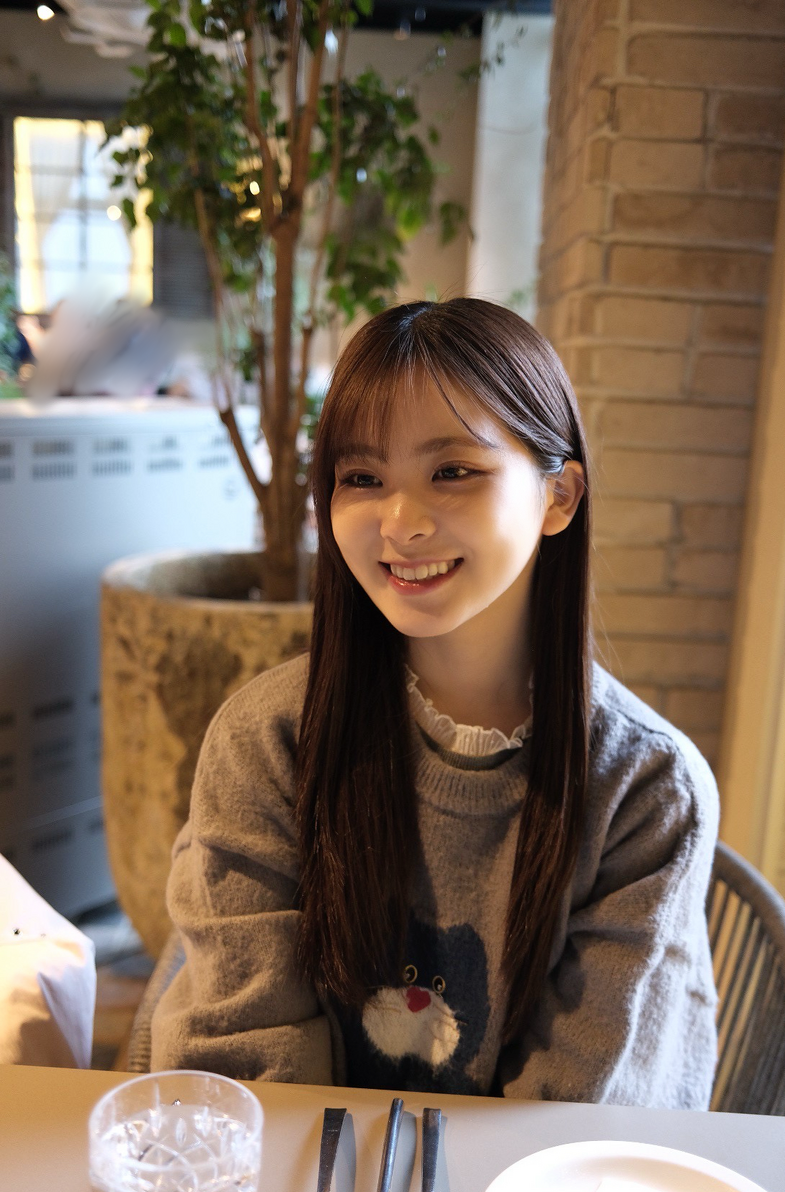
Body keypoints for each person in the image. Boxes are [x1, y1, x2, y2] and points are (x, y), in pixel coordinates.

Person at [150, 298, 719, 1107]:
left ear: (558, 496)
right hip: (292, 1175)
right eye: (362, 478)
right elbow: (248, 1070)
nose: (400, 523)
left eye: (452, 471)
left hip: (523, 1187)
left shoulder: (646, 786)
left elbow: (584, 1112)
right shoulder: (267, 738)